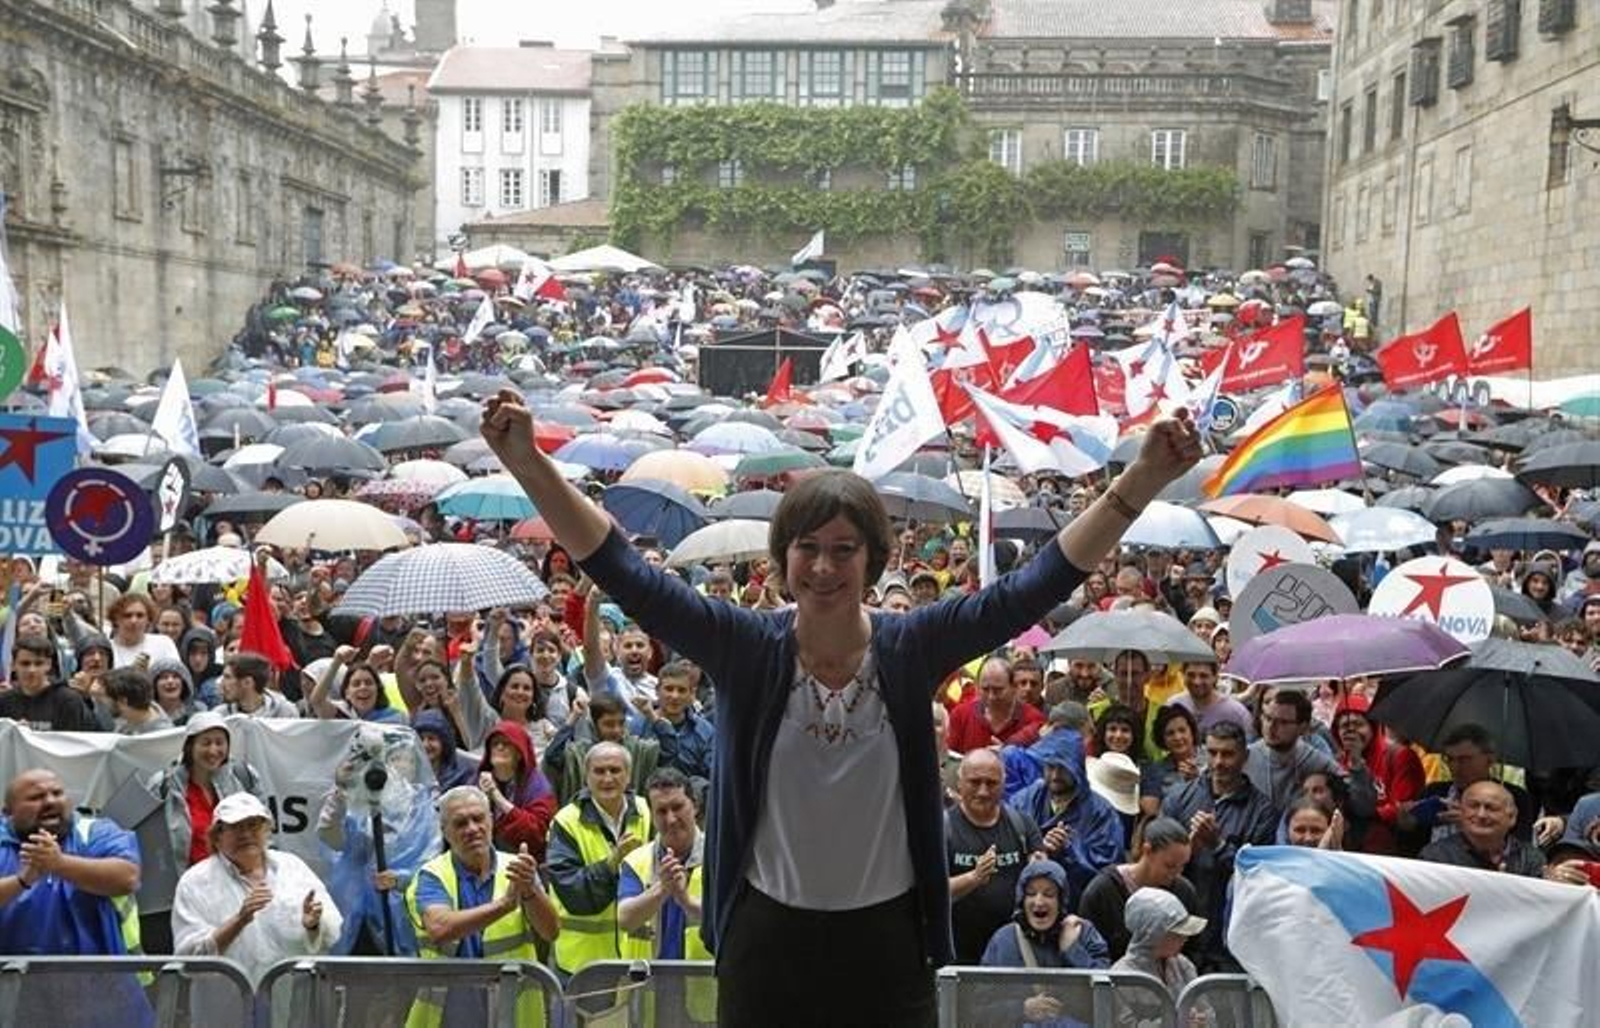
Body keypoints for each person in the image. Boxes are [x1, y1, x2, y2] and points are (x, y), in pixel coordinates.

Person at [480, 388, 1201, 1022]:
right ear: (782, 558)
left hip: (887, 945)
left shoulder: (912, 646)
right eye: (807, 547)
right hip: (765, 942)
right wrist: (527, 462)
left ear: (873, 561)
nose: (823, 566)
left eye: (844, 549)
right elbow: (623, 570)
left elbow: (1034, 585)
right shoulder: (744, 647)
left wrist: (1143, 476)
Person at [0, 769, 150, 1027]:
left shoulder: (95, 831)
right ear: (8, 812)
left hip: (102, 998)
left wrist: (58, 864)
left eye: (57, 793)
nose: (50, 801)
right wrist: (22, 881)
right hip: (16, 999)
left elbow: (128, 877)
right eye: (36, 797)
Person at [406, 786, 560, 1025]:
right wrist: (504, 905)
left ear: (491, 820)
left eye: (478, 819)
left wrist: (531, 890)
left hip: (511, 1010)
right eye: (460, 823)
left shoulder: (519, 869)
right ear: (445, 831)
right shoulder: (431, 875)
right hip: (450, 1013)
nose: (472, 829)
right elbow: (439, 928)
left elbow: (550, 932)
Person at [172, 792, 341, 978]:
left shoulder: (293, 867)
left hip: (290, 991)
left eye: (253, 825)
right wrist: (239, 921)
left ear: (266, 830)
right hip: (225, 994)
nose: (246, 834)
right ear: (217, 836)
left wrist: (313, 926)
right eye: (236, 827)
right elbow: (188, 959)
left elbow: (333, 932)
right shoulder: (194, 882)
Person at [137, 710, 262, 953]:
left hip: (235, 888)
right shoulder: (163, 784)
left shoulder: (244, 777)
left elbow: (265, 831)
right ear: (190, 746)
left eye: (220, 742)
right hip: (184, 892)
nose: (213, 750)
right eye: (206, 743)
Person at [1160, 722, 1277, 972]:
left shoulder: (1262, 810)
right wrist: (1186, 851)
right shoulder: (1179, 798)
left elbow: (1258, 875)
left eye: (1228, 754)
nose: (1218, 762)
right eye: (1212, 753)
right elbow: (1156, 861)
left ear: (1244, 757)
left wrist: (1219, 845)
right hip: (1181, 931)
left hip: (1229, 936)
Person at [317, 725, 440, 957]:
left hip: (402, 912)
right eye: (393, 758)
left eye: (407, 759)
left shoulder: (423, 807)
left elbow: (432, 859)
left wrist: (401, 879)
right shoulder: (356, 798)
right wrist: (341, 791)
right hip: (355, 909)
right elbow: (330, 837)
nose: (400, 766)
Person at [546, 741, 653, 978]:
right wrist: (611, 865)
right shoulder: (565, 821)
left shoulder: (648, 811)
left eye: (615, 770)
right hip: (582, 963)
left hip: (638, 958)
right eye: (599, 771)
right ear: (586, 777)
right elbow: (572, 891)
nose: (607, 778)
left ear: (628, 776)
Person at [978, 862, 1110, 1025]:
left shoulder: (1083, 932)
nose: (1039, 902)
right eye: (1031, 894)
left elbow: (1107, 995)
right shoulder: (1003, 940)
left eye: (1049, 894)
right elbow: (979, 1009)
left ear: (1061, 900)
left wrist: (1072, 950)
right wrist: (1021, 1009)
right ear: (1022, 899)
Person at [946, 749, 1044, 964]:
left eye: (991, 783)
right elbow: (931, 892)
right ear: (960, 784)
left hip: (1013, 952)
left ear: (1003, 785)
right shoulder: (943, 828)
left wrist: (1039, 872)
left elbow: (1044, 885)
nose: (983, 791)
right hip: (958, 954)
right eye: (975, 782)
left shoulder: (1022, 824)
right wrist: (974, 878)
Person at [1077, 816, 1199, 962]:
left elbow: (1194, 947)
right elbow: (1088, 947)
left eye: (1183, 866)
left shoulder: (1183, 891)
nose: (1176, 874)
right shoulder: (1103, 891)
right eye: (1169, 866)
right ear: (1147, 850)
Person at [1330, 695, 1424, 855]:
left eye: (1358, 724)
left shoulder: (1400, 756)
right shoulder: (1336, 763)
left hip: (1392, 850)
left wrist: (1372, 813)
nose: (1351, 732)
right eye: (1344, 726)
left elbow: (1406, 808)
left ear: (1372, 727)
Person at [1419, 781, 1546, 877]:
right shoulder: (1435, 857)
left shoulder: (1531, 860)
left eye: (1491, 808)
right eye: (1473, 806)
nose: (1481, 815)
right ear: (1461, 812)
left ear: (1512, 817)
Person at [1243, 689, 1343, 810]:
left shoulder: (1316, 761)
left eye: (1283, 722)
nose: (1271, 727)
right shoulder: (1246, 757)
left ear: (1303, 727)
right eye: (1268, 718)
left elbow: (1350, 798)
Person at [1110, 889, 1205, 1011]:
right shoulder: (1122, 976)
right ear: (1153, 935)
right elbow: (1122, 1020)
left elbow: (1206, 1009)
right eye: (1176, 935)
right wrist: (1175, 1019)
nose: (1185, 939)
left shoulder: (1183, 965)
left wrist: (1202, 1018)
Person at [477, 720, 558, 860]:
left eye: (506, 743)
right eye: (495, 744)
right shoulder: (477, 782)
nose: (500, 747)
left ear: (520, 753)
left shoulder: (538, 787)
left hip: (528, 859)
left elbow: (537, 834)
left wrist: (497, 797)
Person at [946, 655, 1046, 753]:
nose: (991, 697)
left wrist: (1009, 755)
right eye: (985, 689)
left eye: (998, 690)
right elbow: (949, 758)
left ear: (1013, 687)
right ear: (977, 687)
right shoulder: (961, 715)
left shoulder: (1034, 719)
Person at [0, 634, 99, 730]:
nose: (32, 670)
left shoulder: (68, 700)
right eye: (25, 664)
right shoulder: (5, 701)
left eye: (38, 663)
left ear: (48, 665)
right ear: (13, 665)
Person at [648, 659, 716, 785]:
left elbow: (712, 775)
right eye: (669, 689)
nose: (675, 696)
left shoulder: (705, 731)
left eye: (682, 690)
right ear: (657, 691)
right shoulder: (639, 724)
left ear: (691, 693)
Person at [1139, 705, 1203, 820]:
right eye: (1170, 733)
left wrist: (1198, 781)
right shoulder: (1156, 771)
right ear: (1162, 739)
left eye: (1182, 730)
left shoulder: (1214, 757)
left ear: (1192, 731)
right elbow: (1152, 813)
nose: (1177, 737)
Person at [1164, 661, 1251, 737]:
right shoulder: (1172, 705)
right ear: (1183, 675)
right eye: (1191, 675)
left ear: (1215, 677)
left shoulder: (1236, 713)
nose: (1197, 681)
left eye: (1203, 676)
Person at [218, 651, 299, 719]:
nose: (221, 683)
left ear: (247, 682)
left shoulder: (285, 713)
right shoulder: (220, 715)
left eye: (227, 677)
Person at [105, 667, 173, 735]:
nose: (106, 702)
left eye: (108, 698)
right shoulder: (133, 711)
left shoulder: (161, 734)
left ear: (123, 701)